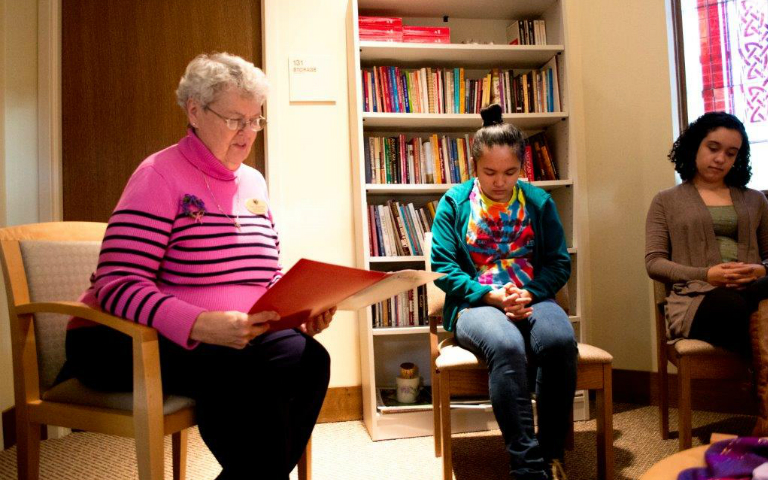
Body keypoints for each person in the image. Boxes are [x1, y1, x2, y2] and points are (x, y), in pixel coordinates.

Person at [62, 52, 335, 480]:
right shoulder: (159, 175)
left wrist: (299, 309)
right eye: (235, 120)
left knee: (308, 359)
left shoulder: (253, 182)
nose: (248, 134)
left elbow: (265, 272)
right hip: (117, 339)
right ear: (194, 110)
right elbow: (117, 283)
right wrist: (199, 324)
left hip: (231, 336)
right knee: (241, 374)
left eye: (255, 121)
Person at [431, 104, 576, 480]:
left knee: (559, 341)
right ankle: (527, 467)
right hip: (476, 302)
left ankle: (551, 453)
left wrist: (529, 293)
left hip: (532, 296)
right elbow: (444, 269)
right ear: (474, 167)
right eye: (489, 172)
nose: (499, 181)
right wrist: (491, 296)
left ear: (522, 167)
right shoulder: (455, 202)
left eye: (510, 172)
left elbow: (559, 264)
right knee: (507, 345)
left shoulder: (539, 202)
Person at [645, 111, 768, 435]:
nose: (721, 158)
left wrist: (758, 269)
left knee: (756, 301)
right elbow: (654, 263)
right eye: (713, 147)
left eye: (731, 153)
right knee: (738, 307)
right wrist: (706, 274)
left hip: (755, 291)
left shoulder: (755, 200)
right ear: (695, 145)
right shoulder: (666, 201)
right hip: (697, 300)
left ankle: (765, 415)